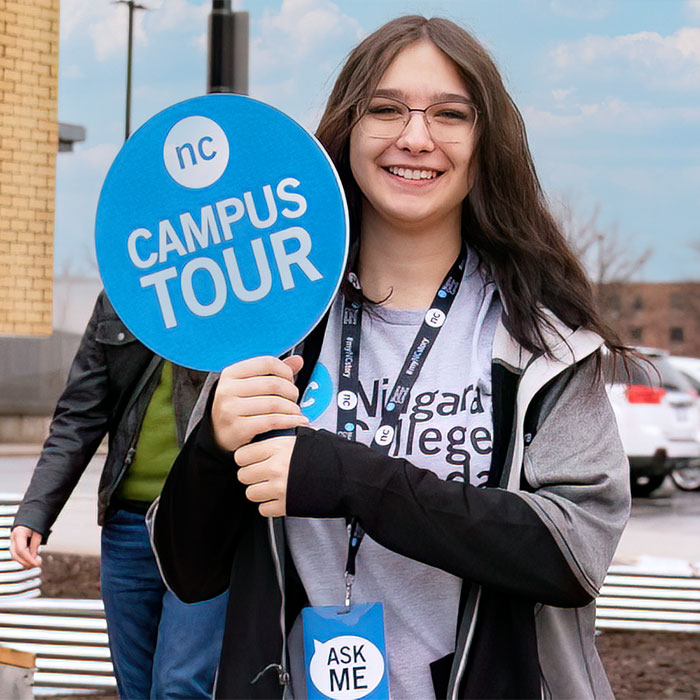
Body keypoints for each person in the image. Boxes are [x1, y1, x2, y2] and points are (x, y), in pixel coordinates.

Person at [151, 15, 630, 700]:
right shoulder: (277, 321)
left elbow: (574, 555)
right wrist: (211, 450)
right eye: (386, 109)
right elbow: (190, 571)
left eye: (450, 114)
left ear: (483, 143)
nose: (415, 137)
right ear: (348, 130)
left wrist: (352, 479)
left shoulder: (542, 342)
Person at [10, 290, 228, 700]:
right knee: (136, 688)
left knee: (179, 687)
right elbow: (80, 414)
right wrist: (36, 510)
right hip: (126, 526)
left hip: (207, 525)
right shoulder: (121, 295)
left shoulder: (247, 286)